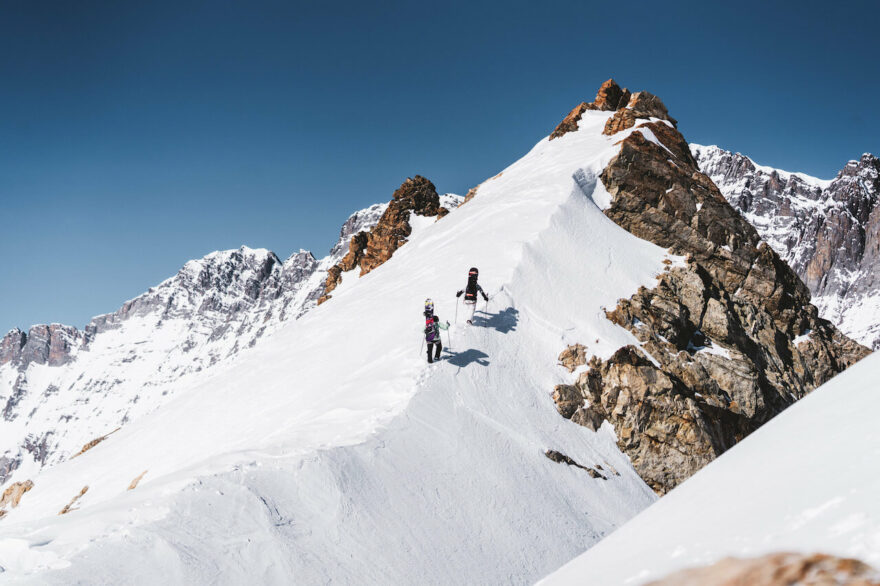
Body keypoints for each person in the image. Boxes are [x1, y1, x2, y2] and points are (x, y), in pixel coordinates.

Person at [424, 299, 449, 363]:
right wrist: (448, 324)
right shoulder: (438, 323)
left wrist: (425, 331)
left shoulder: (428, 324)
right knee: (439, 347)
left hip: (429, 338)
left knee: (430, 350)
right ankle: (436, 357)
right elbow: (445, 327)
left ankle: (429, 360)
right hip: (436, 339)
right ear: (437, 320)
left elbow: (423, 330)